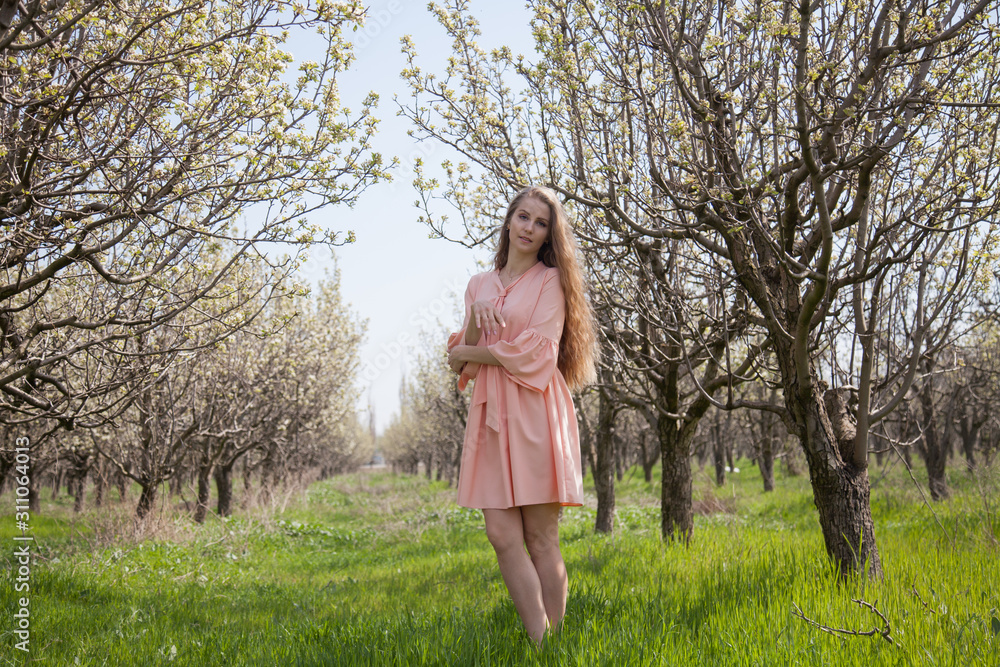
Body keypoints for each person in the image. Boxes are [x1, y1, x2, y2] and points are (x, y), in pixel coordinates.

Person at [446, 185, 598, 646]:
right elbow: (459, 361)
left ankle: (556, 642)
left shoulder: (552, 281)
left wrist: (472, 349)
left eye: (541, 223)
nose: (529, 228)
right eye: (523, 217)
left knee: (540, 538)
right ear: (508, 220)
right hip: (492, 414)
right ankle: (540, 640)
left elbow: (537, 354)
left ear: (549, 235)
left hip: (534, 411)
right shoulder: (479, 284)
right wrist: (477, 319)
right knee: (500, 534)